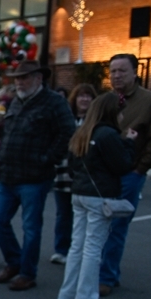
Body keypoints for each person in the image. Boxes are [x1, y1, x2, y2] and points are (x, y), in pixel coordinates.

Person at [0, 60, 75, 291]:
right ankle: (14, 263)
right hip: (8, 174)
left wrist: (47, 159)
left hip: (35, 177)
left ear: (39, 78)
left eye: (24, 77)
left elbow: (68, 133)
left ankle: (27, 272)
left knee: (31, 227)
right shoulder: (16, 102)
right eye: (17, 78)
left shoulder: (54, 103)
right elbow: (7, 132)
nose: (19, 82)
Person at [99, 53, 151, 296]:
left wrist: (139, 169)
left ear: (135, 73)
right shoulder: (107, 101)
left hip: (129, 174)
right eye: (113, 71)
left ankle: (106, 278)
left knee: (117, 226)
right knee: (99, 225)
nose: (117, 75)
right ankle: (102, 272)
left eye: (122, 70)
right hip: (104, 173)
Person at [57, 93, 135, 299]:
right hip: (100, 194)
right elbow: (122, 165)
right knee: (93, 248)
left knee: (77, 246)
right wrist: (129, 143)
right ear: (112, 112)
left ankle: (67, 294)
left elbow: (72, 164)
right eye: (120, 112)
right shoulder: (108, 134)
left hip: (79, 192)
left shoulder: (82, 132)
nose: (122, 117)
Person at [51, 84, 96, 265]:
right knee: (63, 213)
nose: (84, 100)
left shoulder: (95, 122)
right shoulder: (65, 119)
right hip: (62, 173)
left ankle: (81, 250)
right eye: (81, 96)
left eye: (88, 96)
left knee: (84, 216)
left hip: (86, 175)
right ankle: (61, 249)